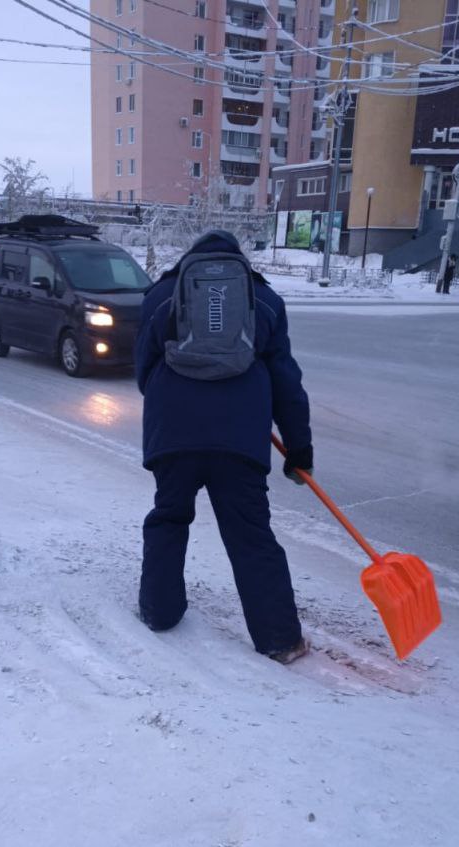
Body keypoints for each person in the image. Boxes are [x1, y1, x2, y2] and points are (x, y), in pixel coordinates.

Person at [135, 229, 314, 665]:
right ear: (239, 259)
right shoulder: (265, 300)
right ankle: (279, 639)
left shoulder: (161, 294)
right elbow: (287, 383)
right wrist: (298, 448)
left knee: (169, 518)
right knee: (251, 534)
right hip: (239, 440)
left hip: (173, 435)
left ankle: (160, 611)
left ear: (190, 257)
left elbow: (143, 369)